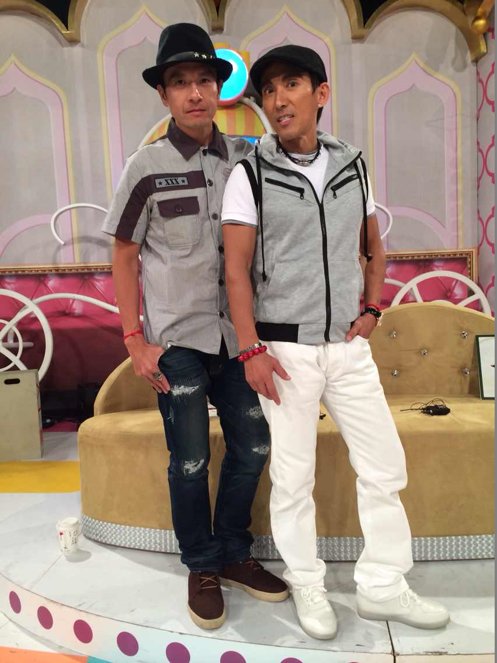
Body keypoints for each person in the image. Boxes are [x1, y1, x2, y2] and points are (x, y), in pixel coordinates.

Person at [221, 45, 450, 640]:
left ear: (320, 94)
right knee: (293, 477)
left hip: (348, 348)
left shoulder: (353, 165)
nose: (278, 100)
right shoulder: (250, 174)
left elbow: (374, 246)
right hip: (284, 352)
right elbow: (235, 271)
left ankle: (382, 585)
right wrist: (250, 349)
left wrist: (373, 308)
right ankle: (307, 583)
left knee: (384, 466)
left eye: (291, 84)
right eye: (268, 90)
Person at [103, 23, 288, 631]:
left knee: (253, 446)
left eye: (204, 80)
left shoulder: (247, 159)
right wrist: (134, 340)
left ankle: (233, 551)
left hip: (239, 338)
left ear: (219, 88)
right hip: (177, 342)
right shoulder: (146, 167)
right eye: (179, 82)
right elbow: (124, 254)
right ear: (164, 94)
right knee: (188, 460)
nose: (193, 93)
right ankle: (202, 564)